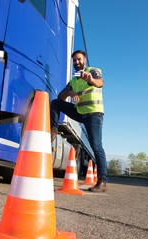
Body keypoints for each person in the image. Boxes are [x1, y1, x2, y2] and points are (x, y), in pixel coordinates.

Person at [50, 50, 107, 192]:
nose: (77, 62)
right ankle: (53, 130)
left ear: (85, 60)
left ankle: (102, 182)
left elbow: (100, 83)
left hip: (93, 114)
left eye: (79, 59)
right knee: (56, 103)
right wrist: (71, 92)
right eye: (74, 60)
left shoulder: (93, 71)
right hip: (80, 113)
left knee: (96, 147)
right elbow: (61, 96)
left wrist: (91, 80)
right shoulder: (74, 80)